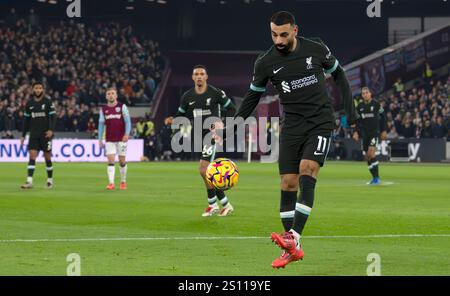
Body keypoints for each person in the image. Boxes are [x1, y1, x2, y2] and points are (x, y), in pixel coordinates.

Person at [213, 11, 356, 268]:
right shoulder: (265, 62)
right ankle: (293, 247)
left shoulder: (316, 48)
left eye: (283, 34)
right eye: (273, 34)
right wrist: (229, 128)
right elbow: (252, 98)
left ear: (295, 31)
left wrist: (351, 111)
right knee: (288, 183)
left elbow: (340, 75)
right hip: (292, 126)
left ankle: (293, 237)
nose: (278, 40)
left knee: (307, 169)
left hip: (320, 122)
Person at [168, 65, 237, 217]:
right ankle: (217, 204)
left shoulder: (216, 93)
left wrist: (222, 123)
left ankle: (221, 204)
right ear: (192, 77)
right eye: (196, 74)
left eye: (202, 74)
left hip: (212, 137)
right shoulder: (187, 96)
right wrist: (172, 121)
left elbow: (232, 109)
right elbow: (181, 115)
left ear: (206, 77)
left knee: (204, 169)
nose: (199, 76)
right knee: (205, 172)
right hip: (198, 137)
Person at [20, 82, 56, 189]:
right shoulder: (29, 104)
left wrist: (51, 130)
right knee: (32, 155)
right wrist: (23, 135)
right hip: (34, 134)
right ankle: (29, 181)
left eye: (40, 88)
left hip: (46, 135)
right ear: (33, 90)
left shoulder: (48, 102)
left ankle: (49, 180)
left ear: (43, 90)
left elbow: (54, 117)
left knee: (47, 157)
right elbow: (26, 121)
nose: (38, 90)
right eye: (36, 88)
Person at [98, 87, 132, 190]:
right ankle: (111, 183)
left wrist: (127, 134)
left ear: (116, 95)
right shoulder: (103, 109)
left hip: (121, 138)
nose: (111, 95)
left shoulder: (122, 107)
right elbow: (101, 125)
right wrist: (100, 139)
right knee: (111, 160)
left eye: (113, 93)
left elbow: (128, 121)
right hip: (109, 139)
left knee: (122, 161)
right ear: (106, 96)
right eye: (108, 94)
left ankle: (123, 181)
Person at [353, 87, 387, 185]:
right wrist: (355, 132)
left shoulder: (376, 105)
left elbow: (383, 117)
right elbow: (356, 121)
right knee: (368, 156)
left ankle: (377, 178)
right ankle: (374, 177)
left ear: (370, 94)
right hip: (365, 134)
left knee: (371, 153)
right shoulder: (360, 107)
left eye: (366, 93)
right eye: (363, 93)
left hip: (374, 133)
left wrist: (384, 130)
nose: (365, 95)